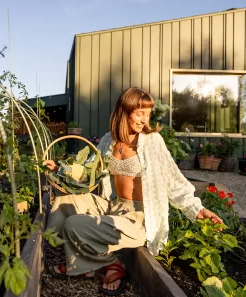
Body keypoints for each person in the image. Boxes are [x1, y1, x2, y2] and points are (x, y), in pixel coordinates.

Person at [43, 87, 223, 295]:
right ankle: (85, 266)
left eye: (148, 114)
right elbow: (87, 172)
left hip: (137, 218)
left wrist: (197, 210)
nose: (145, 120)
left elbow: (173, 181)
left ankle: (112, 263)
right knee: (65, 203)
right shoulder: (108, 141)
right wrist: (60, 169)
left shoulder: (152, 142)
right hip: (114, 206)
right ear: (124, 111)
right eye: (140, 113)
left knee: (75, 224)